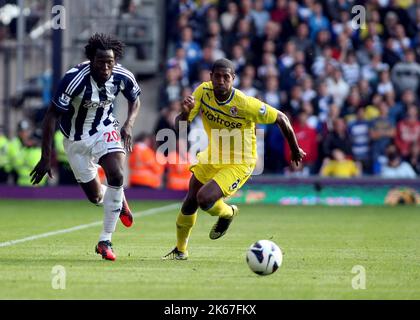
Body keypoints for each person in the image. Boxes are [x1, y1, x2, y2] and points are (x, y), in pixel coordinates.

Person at [162, 58, 306, 260]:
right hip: (213, 154)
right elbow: (180, 126)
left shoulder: (246, 104)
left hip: (240, 161)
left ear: (233, 79)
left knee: (204, 199)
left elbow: (281, 118)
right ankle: (180, 250)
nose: (221, 81)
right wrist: (184, 114)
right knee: (189, 202)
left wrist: (294, 148)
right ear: (210, 77)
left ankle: (228, 213)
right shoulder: (203, 92)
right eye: (217, 76)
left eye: (226, 77)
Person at [30, 33, 141, 261]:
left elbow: (135, 98)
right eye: (101, 62)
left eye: (110, 62)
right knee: (95, 197)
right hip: (75, 139)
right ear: (91, 59)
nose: (106, 67)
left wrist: (128, 124)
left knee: (117, 174)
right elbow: (51, 116)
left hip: (105, 128)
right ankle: (118, 200)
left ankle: (105, 241)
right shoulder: (74, 79)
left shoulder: (122, 75)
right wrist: (45, 157)